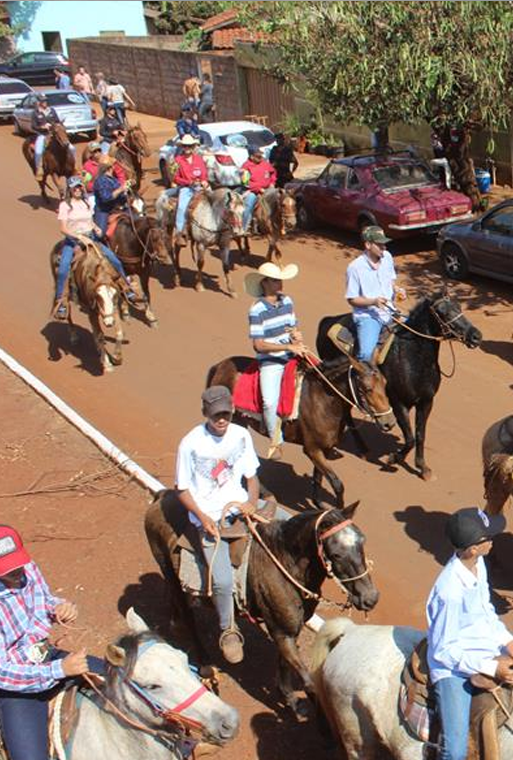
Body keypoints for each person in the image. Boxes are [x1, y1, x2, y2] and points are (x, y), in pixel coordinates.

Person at [426, 507, 513, 760]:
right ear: (473, 548)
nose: (493, 539)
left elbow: (485, 611)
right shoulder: (449, 590)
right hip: (452, 667)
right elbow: (444, 650)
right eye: (488, 537)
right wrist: (491, 667)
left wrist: (509, 641)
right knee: (455, 750)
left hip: (485, 648)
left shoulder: (479, 564)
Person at [0, 525, 105, 760]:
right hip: (16, 687)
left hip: (46, 655)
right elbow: (2, 671)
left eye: (17, 563)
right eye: (7, 570)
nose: (17, 572)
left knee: (122, 677)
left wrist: (57, 608)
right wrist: (59, 670)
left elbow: (44, 599)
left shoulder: (26, 568)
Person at [174, 386, 262, 664]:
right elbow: (182, 490)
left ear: (232, 410)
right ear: (205, 414)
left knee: (288, 526)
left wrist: (251, 501)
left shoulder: (241, 435)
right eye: (215, 416)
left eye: (225, 413)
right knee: (222, 580)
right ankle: (228, 630)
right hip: (210, 518)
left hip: (240, 507)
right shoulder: (190, 444)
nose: (221, 420)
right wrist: (203, 519)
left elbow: (252, 477)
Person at [51, 177, 134, 321]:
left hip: (91, 238)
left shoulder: (86, 202)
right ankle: (61, 301)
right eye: (75, 188)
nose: (77, 190)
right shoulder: (65, 205)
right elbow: (63, 229)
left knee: (114, 259)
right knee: (64, 268)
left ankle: (126, 288)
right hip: (73, 241)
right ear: (70, 190)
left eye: (79, 187)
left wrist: (96, 228)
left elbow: (89, 221)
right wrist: (78, 237)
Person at [245, 262, 303, 460]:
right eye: (276, 280)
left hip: (293, 353)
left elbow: (293, 327)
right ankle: (275, 440)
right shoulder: (257, 310)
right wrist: (287, 347)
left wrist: (297, 338)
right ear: (265, 283)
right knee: (269, 402)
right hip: (271, 361)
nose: (281, 283)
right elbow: (259, 345)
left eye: (281, 279)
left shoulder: (287, 300)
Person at [345, 226, 404, 364]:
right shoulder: (354, 268)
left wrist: (397, 289)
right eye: (380, 244)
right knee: (366, 355)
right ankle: (359, 380)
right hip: (369, 317)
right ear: (368, 245)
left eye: (384, 243)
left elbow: (391, 281)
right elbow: (352, 299)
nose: (384, 247)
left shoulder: (387, 257)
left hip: (391, 312)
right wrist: (373, 302)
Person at [170, 133, 208, 235]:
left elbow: (204, 174)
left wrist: (204, 181)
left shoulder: (199, 159)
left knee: (214, 201)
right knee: (182, 207)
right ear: (182, 147)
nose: (187, 148)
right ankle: (180, 231)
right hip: (185, 188)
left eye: (189, 146)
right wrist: (189, 182)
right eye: (185, 146)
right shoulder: (177, 161)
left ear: (193, 147)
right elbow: (175, 178)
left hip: (200, 187)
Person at [91, 154, 128, 235]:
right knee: (100, 234)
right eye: (113, 164)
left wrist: (126, 192)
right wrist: (120, 189)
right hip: (104, 210)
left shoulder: (114, 180)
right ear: (110, 167)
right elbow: (106, 197)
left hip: (117, 208)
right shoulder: (100, 180)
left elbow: (121, 197)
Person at [240, 148, 276, 231]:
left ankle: (281, 224)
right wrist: (259, 189)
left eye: (261, 155)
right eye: (258, 156)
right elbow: (246, 182)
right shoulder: (245, 166)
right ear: (251, 156)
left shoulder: (265, 163)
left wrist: (272, 183)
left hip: (268, 188)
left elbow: (273, 173)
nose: (260, 157)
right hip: (253, 191)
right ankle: (244, 228)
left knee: (280, 200)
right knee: (248, 205)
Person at [30, 95, 62, 178]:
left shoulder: (52, 110)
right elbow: (33, 126)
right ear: (39, 103)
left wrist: (56, 125)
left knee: (70, 147)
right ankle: (39, 169)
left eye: (46, 101)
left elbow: (57, 121)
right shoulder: (35, 113)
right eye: (43, 101)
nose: (45, 103)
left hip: (53, 134)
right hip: (42, 135)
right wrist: (42, 127)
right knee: (38, 152)